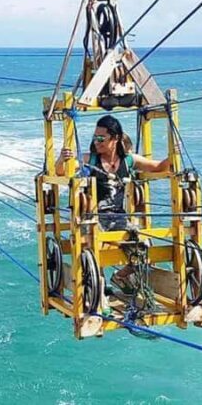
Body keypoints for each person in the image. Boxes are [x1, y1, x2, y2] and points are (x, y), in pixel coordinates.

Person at [54, 114, 171, 293]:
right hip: (93, 218)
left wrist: (174, 153)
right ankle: (98, 291)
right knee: (94, 247)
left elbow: (158, 167)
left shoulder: (129, 160)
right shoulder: (90, 160)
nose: (97, 142)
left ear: (115, 138)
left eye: (101, 138)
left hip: (118, 217)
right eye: (95, 137)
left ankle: (120, 276)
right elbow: (61, 172)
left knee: (143, 246)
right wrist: (62, 160)